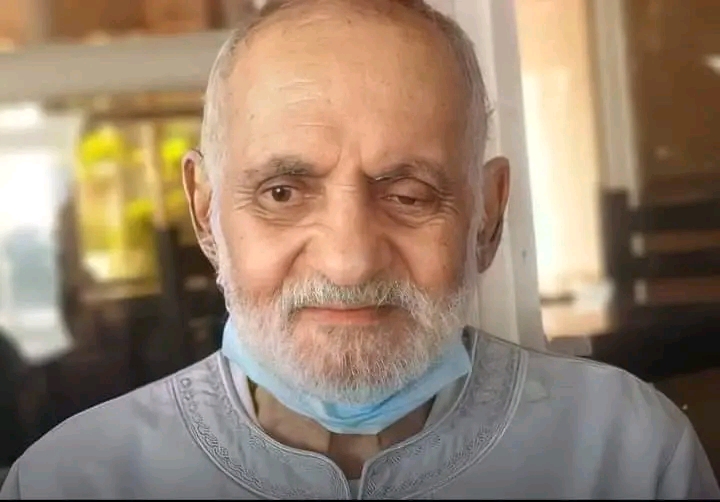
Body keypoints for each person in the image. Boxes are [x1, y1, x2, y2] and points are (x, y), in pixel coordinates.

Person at [1, 0, 718, 498]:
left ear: (488, 216)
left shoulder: (625, 454)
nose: (349, 261)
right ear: (206, 213)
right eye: (283, 192)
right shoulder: (72, 482)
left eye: (408, 194)